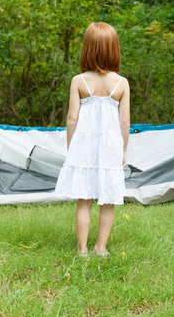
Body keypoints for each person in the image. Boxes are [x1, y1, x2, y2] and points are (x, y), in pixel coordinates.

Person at [54, 22, 131, 257]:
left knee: (84, 199)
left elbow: (71, 119)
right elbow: (124, 122)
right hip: (110, 148)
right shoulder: (121, 83)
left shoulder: (79, 81)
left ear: (88, 48)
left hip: (84, 147)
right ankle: (101, 248)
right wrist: (123, 150)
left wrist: (71, 146)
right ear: (113, 49)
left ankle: (82, 249)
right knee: (108, 201)